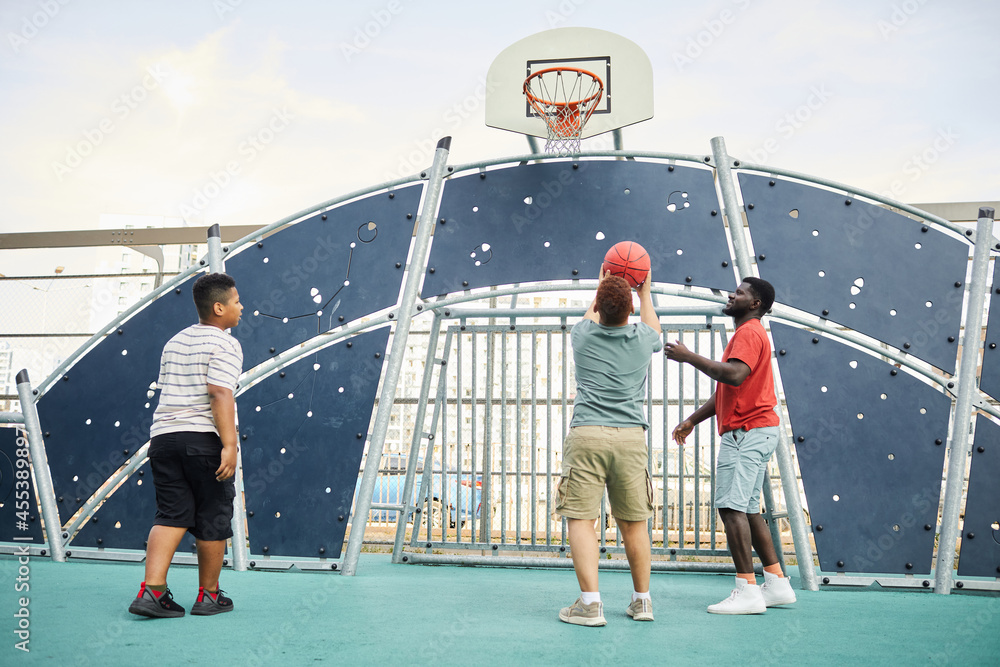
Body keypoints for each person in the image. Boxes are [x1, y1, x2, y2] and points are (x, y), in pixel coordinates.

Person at [665, 277, 796, 614]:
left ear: (755, 304)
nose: (730, 295)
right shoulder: (750, 333)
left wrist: (688, 356)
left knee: (730, 506)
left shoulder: (749, 332)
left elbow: (733, 376)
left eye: (739, 293)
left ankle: (747, 589)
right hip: (758, 429)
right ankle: (777, 583)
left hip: (747, 432)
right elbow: (731, 388)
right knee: (749, 509)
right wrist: (693, 419)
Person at [129, 273, 244, 618]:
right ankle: (209, 596)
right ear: (219, 307)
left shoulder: (174, 341)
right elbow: (219, 392)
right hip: (203, 441)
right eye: (237, 301)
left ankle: (152, 592)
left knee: (171, 514)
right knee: (213, 514)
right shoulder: (227, 344)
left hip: (164, 440)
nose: (242, 307)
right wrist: (229, 444)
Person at [556, 268, 662, 627]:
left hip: (587, 433)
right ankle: (642, 602)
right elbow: (655, 329)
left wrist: (601, 285)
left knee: (582, 519)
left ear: (598, 307)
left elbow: (594, 314)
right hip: (631, 437)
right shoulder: (644, 338)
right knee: (635, 524)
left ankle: (589, 605)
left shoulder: (582, 335)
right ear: (631, 310)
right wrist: (644, 291)